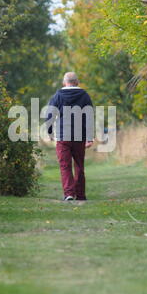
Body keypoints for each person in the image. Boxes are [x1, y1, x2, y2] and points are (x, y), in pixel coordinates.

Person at [47, 72, 94, 202]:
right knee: (79, 165)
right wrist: (89, 137)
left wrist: (50, 132)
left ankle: (68, 193)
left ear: (64, 82)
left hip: (63, 136)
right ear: (77, 82)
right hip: (79, 136)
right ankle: (80, 195)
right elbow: (89, 117)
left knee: (65, 166)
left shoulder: (58, 96)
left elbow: (49, 114)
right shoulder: (84, 96)